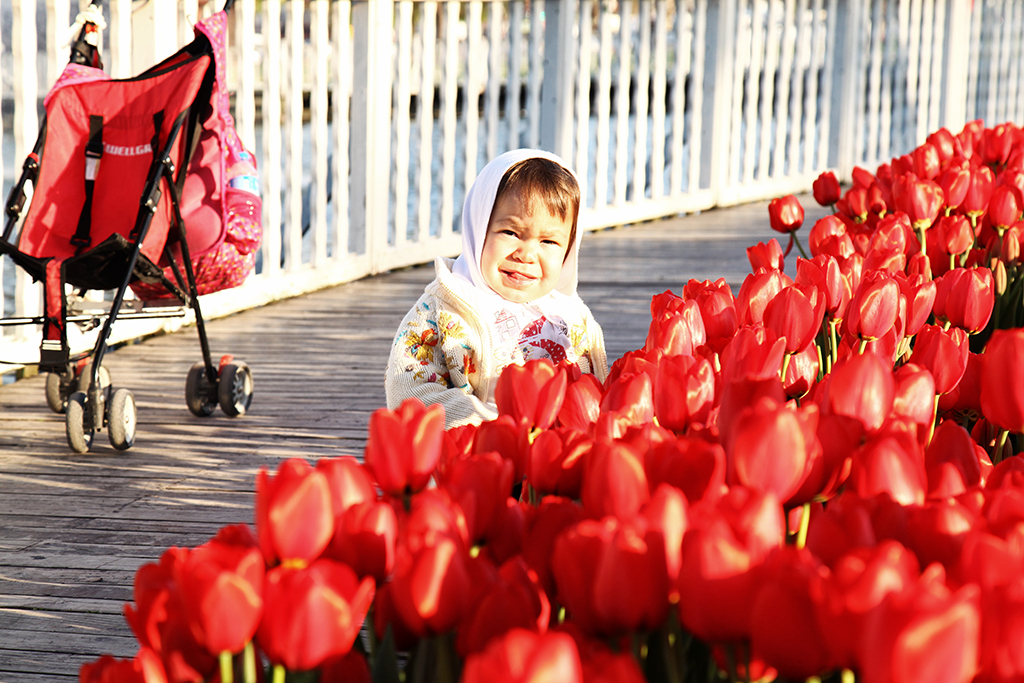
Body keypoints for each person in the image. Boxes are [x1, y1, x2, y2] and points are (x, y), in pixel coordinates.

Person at [385, 149, 608, 429]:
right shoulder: (441, 311)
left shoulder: (571, 315)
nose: (526, 255)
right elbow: (411, 394)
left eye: (548, 242)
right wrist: (494, 425)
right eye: (511, 233)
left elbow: (591, 391)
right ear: (479, 228)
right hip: (474, 458)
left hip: (556, 459)